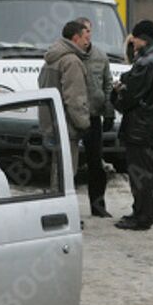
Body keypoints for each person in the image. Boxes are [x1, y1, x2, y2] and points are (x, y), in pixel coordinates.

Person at [112, 19, 153, 230]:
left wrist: (117, 91)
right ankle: (152, 211)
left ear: (141, 39)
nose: (132, 41)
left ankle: (141, 216)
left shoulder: (145, 64)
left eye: (134, 38)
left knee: (139, 174)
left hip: (138, 127)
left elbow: (128, 98)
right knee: (152, 172)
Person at [38, 20, 91, 175]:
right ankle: (62, 199)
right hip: (66, 126)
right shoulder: (71, 61)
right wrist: (83, 123)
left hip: (50, 122)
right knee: (66, 172)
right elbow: (74, 98)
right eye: (85, 38)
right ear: (76, 38)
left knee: (57, 168)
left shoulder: (52, 58)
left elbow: (41, 83)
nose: (88, 42)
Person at [77, 17, 115, 217]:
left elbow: (108, 85)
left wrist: (109, 112)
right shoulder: (68, 55)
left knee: (96, 163)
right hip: (72, 116)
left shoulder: (100, 56)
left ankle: (98, 205)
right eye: (84, 31)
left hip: (93, 116)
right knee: (69, 161)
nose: (88, 34)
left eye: (89, 30)